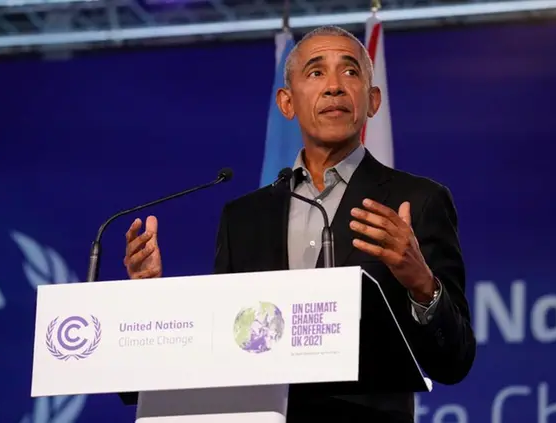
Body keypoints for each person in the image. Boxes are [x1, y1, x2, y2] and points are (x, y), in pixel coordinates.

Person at [124, 25, 476, 423]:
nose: (334, 87)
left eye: (350, 72)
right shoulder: (243, 218)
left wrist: (421, 283)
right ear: (287, 103)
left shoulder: (418, 202)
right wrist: (146, 303)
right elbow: (224, 345)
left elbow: (455, 360)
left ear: (372, 101)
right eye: (315, 72)